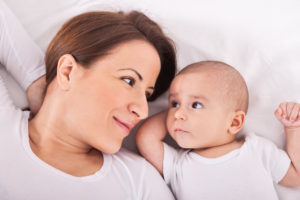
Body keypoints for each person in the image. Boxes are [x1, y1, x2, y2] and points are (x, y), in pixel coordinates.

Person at [0, 0, 176, 199]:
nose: (143, 111)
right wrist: (36, 79)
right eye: (129, 80)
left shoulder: (139, 182)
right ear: (67, 72)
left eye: (146, 95)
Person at [136, 61, 300, 200]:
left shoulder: (257, 150)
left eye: (196, 105)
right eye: (174, 103)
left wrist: (293, 128)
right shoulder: (177, 165)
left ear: (234, 122)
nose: (178, 114)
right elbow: (146, 138)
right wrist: (175, 113)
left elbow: (296, 176)